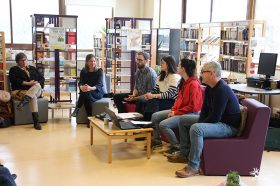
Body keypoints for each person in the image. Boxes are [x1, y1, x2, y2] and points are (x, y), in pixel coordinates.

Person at [167, 61, 241, 178]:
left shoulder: (222, 89)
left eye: (203, 72)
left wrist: (199, 125)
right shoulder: (210, 88)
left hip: (228, 126)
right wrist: (200, 122)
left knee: (196, 129)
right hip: (217, 121)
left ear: (211, 73)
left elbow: (215, 117)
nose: (200, 74)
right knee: (183, 119)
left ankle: (193, 167)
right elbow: (205, 111)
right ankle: (184, 153)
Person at [150, 58, 203, 153]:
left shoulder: (194, 84)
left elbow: (194, 107)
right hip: (179, 110)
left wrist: (175, 112)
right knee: (155, 116)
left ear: (183, 69)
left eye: (179, 66)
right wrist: (173, 110)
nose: (177, 67)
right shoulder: (183, 82)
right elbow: (178, 100)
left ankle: (176, 146)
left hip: (189, 113)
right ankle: (157, 141)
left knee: (163, 125)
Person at [9, 52, 44, 130]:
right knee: (33, 97)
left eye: (25, 60)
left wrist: (36, 83)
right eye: (22, 60)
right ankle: (36, 122)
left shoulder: (32, 68)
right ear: (17, 62)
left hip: (35, 90)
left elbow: (42, 78)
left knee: (37, 85)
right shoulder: (13, 69)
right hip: (20, 91)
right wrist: (28, 83)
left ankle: (24, 101)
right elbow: (14, 80)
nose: (24, 62)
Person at [143, 55, 180, 121]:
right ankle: (142, 121)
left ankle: (148, 122)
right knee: (143, 100)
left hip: (172, 101)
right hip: (162, 99)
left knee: (153, 101)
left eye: (163, 63)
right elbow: (155, 89)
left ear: (169, 64)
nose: (161, 65)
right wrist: (149, 94)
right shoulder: (160, 77)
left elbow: (170, 94)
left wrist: (153, 96)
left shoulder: (175, 77)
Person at [71, 54, 104, 127]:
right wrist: (81, 86)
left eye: (94, 61)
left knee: (86, 93)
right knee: (86, 94)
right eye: (90, 61)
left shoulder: (99, 71)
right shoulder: (84, 71)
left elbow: (99, 85)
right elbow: (81, 82)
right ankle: (89, 119)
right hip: (86, 90)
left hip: (96, 91)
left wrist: (90, 88)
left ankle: (77, 109)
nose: (92, 63)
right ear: (86, 62)